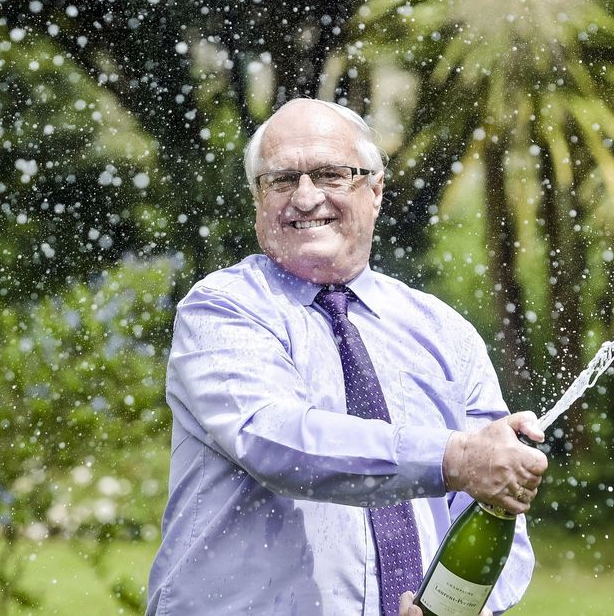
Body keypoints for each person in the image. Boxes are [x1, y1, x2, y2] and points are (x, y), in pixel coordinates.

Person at [146, 98, 548, 615]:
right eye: (282, 179)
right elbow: (277, 439)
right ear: (257, 198)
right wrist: (452, 458)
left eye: (332, 175)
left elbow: (494, 506)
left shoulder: (445, 333)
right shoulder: (222, 309)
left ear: (375, 190)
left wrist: (455, 610)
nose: (306, 197)